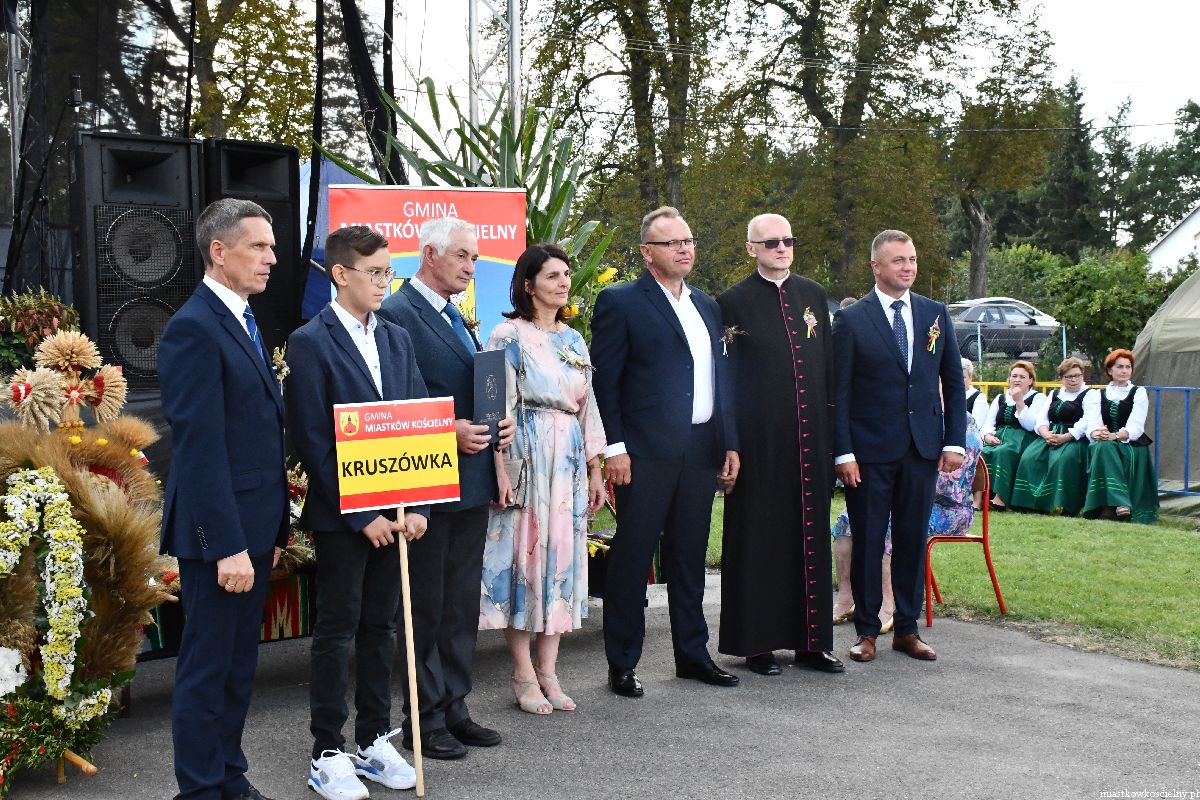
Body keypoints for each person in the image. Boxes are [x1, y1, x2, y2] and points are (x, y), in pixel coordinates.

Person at [285, 226, 429, 799]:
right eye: (374, 272)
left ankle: (372, 739)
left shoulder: (396, 337)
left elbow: (418, 419)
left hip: (397, 510)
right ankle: (326, 749)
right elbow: (313, 438)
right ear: (340, 274)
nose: (384, 282)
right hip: (345, 518)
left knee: (381, 626)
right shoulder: (309, 341)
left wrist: (417, 503)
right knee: (337, 629)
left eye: (388, 272)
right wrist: (360, 514)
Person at [159, 199, 290, 800]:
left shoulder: (241, 318)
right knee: (209, 669)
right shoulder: (194, 326)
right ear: (219, 251)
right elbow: (200, 448)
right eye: (258, 246)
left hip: (253, 528)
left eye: (271, 246)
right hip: (222, 537)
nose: (271, 258)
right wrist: (227, 546)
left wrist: (268, 530)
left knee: (238, 667)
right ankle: (200, 788)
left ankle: (228, 775)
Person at [376, 217, 514, 759]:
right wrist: (445, 430)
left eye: (475, 257)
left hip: (470, 482)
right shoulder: (396, 313)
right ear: (430, 255)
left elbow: (471, 387)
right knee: (424, 608)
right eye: (462, 256)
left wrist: (496, 424)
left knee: (459, 606)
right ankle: (423, 716)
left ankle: (455, 706)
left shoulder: (456, 314)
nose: (471, 266)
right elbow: (389, 405)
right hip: (425, 484)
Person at [591, 206, 741, 697]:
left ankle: (692, 655)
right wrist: (615, 447)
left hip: (700, 449)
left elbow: (719, 380)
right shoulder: (621, 302)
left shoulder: (707, 306)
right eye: (672, 242)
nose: (684, 249)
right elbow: (606, 382)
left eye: (688, 241)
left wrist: (728, 441)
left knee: (689, 556)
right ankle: (622, 663)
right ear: (646, 252)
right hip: (644, 452)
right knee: (633, 558)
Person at [480, 243, 607, 714]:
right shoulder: (505, 335)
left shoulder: (574, 340)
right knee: (525, 562)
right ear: (528, 284)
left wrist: (595, 470)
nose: (564, 282)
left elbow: (588, 406)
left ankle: (549, 670)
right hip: (527, 457)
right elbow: (492, 408)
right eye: (553, 275)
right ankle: (522, 672)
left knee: (561, 564)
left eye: (567, 274)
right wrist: (499, 470)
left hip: (568, 461)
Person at [715, 213, 842, 677]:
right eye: (770, 243)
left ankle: (812, 643)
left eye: (788, 240)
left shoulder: (813, 295)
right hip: (758, 442)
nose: (782, 248)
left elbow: (827, 366)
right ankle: (757, 643)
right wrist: (729, 441)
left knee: (810, 538)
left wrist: (835, 439)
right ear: (751, 248)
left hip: (811, 440)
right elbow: (724, 379)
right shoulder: (731, 302)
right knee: (759, 538)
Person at [832, 229, 965, 664]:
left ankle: (908, 629)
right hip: (868, 453)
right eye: (898, 260)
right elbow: (839, 393)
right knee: (869, 541)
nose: (908, 267)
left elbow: (952, 382)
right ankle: (867, 630)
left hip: (922, 448)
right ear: (876, 266)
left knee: (911, 540)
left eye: (912, 259)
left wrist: (954, 441)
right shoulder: (852, 320)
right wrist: (844, 453)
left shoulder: (934, 313)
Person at [1081, 349, 1158, 523]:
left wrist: (1115, 435)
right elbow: (1092, 423)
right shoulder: (1098, 394)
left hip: (1130, 442)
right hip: (1105, 440)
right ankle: (1119, 503)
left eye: (1128, 367)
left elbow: (1136, 427)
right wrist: (1097, 432)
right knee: (1103, 446)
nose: (1124, 371)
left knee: (1104, 447)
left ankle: (1108, 508)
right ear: (1110, 370)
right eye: (1120, 367)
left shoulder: (1138, 392)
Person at [1010, 358, 1092, 515]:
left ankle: (1061, 505)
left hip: (1074, 439)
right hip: (1051, 434)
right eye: (1069, 376)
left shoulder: (1090, 394)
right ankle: (1027, 502)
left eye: (1077, 375)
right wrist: (1045, 433)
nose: (1074, 380)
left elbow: (1087, 421)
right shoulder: (1055, 393)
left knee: (1062, 459)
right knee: (1030, 457)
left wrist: (1066, 437)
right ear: (1061, 378)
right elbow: (1042, 418)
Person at [980, 361, 1048, 510]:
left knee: (1004, 452)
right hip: (999, 437)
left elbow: (1031, 425)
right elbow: (989, 423)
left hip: (1023, 439)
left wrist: (1020, 402)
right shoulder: (1000, 398)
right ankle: (978, 499)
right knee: (983, 453)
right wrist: (987, 436)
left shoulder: (1038, 397)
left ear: (1030, 380)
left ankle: (1000, 499)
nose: (1017, 380)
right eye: (1014, 376)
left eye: (1022, 377)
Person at [963, 357, 989, 432]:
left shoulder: (979, 397)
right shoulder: (945, 395)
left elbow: (975, 426)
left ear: (970, 378)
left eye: (963, 377)